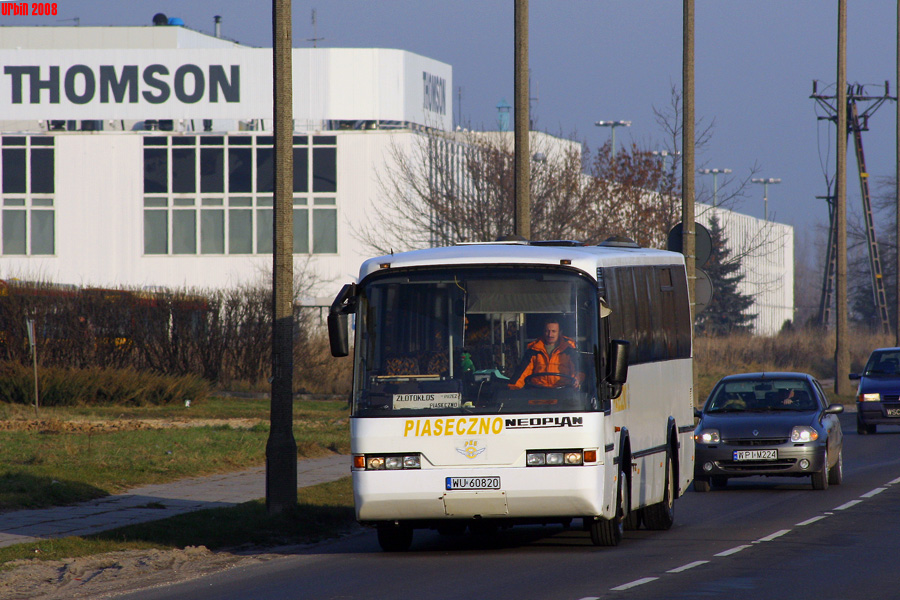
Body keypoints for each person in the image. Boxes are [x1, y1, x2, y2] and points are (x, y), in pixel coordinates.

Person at [508, 318, 583, 389]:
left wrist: (577, 379)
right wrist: (512, 390)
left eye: (553, 331)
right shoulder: (534, 350)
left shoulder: (569, 350)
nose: (550, 335)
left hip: (563, 392)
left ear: (560, 332)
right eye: (547, 331)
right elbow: (522, 373)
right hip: (538, 393)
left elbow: (578, 370)